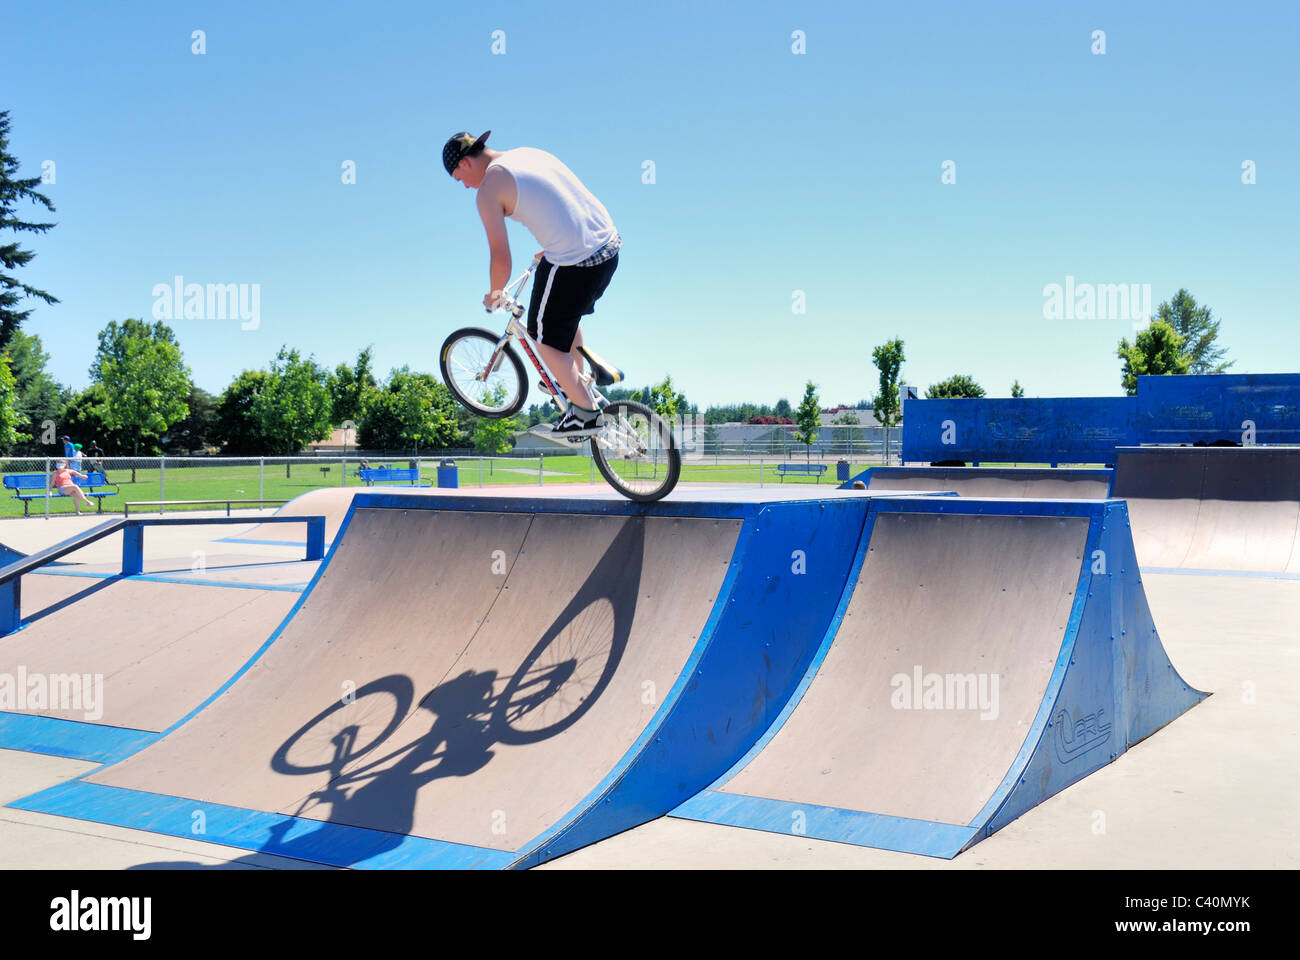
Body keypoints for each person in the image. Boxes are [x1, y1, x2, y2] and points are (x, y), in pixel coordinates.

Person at [444, 130, 621, 437]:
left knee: (544, 339)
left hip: (576, 261)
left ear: (465, 163)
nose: (464, 186)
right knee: (561, 312)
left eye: (459, 179)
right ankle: (573, 380)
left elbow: (501, 257)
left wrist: (495, 293)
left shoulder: (487, 190)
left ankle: (587, 416)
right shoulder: (528, 153)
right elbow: (562, 199)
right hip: (608, 247)